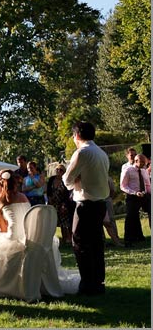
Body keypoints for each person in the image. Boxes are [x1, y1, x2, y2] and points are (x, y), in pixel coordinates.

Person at [0, 169, 80, 299]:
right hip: (34, 237)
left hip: (14, 238)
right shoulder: (23, 196)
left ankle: (4, 284)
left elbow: (3, 228)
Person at [63, 121, 109, 295]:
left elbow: (67, 179)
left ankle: (88, 284)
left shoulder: (82, 152)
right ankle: (98, 281)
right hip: (100, 204)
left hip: (86, 204)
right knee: (96, 243)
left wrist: (76, 179)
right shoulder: (101, 153)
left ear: (77, 135)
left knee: (80, 242)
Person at [120, 153, 151, 247]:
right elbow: (123, 186)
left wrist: (149, 193)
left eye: (145, 163)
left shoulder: (144, 171)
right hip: (133, 196)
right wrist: (134, 192)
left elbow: (147, 185)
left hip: (145, 196)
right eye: (142, 163)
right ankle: (128, 240)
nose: (144, 165)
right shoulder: (127, 170)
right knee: (131, 217)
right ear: (136, 161)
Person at [46, 164, 74, 245]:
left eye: (60, 170)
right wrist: (49, 198)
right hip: (53, 203)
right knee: (54, 222)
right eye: (57, 169)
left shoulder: (65, 180)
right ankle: (57, 240)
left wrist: (64, 205)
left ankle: (68, 239)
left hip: (63, 204)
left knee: (65, 223)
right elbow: (48, 190)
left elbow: (68, 193)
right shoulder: (52, 179)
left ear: (64, 172)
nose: (58, 171)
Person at [103, 177, 122, 247]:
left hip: (106, 199)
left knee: (109, 221)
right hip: (99, 200)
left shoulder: (107, 178)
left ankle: (116, 239)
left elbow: (112, 191)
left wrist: (108, 198)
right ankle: (102, 240)